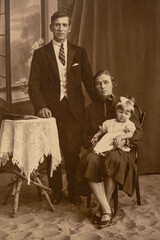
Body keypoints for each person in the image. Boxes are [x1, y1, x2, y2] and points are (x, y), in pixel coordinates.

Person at [28, 11, 94, 205]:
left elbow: (89, 81)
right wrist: (41, 107)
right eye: (57, 25)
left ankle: (73, 191)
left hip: (74, 111)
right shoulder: (40, 54)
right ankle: (56, 190)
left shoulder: (79, 52)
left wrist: (103, 101)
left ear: (69, 28)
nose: (60, 29)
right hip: (50, 112)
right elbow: (34, 85)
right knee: (52, 152)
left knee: (72, 152)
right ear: (51, 27)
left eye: (64, 25)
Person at [77, 70, 143, 229]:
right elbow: (84, 136)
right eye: (98, 83)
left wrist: (123, 139)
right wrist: (94, 140)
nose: (102, 86)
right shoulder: (90, 109)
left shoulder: (124, 104)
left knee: (113, 159)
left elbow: (138, 133)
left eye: (105, 82)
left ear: (113, 84)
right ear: (94, 87)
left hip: (121, 150)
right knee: (90, 159)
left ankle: (103, 209)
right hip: (100, 149)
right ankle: (106, 209)